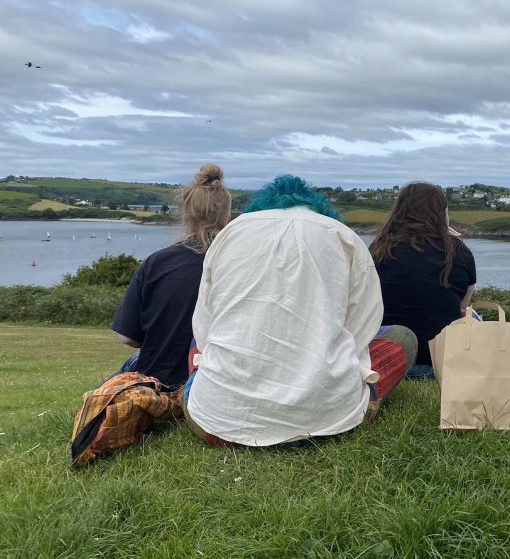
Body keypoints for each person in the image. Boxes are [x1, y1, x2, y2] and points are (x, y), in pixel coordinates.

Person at [182, 175, 416, 447]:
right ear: (319, 208)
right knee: (402, 337)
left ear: (262, 207)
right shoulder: (343, 235)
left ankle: (228, 397)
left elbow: (204, 327)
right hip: (329, 423)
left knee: (198, 343)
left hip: (213, 423)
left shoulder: (231, 233)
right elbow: (362, 329)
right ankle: (332, 402)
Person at [109, 164, 231, 388]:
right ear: (228, 219)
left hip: (159, 383)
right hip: (218, 382)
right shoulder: (239, 263)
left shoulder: (157, 262)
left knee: (125, 369)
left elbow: (127, 338)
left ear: (185, 217)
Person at [369, 182, 477, 377]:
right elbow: (462, 307)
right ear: (442, 214)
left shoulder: (378, 249)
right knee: (473, 315)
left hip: (389, 361)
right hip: (439, 363)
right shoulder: (458, 251)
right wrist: (455, 241)